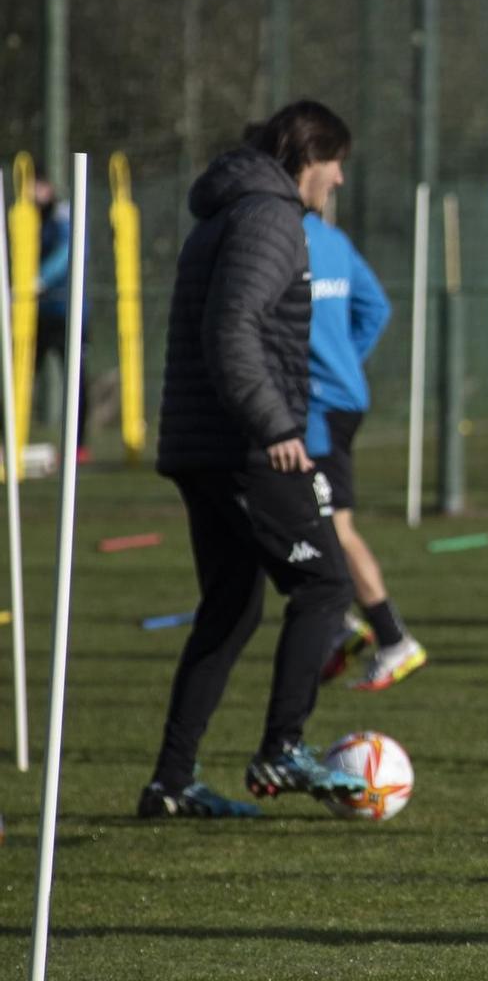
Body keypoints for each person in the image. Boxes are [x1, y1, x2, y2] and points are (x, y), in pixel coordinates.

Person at [139, 101, 368, 819]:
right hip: (244, 445)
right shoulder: (269, 217)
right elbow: (231, 328)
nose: (337, 182)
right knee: (325, 584)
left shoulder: (228, 209)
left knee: (232, 610)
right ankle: (283, 744)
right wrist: (274, 423)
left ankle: (171, 783)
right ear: (310, 156)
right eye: (336, 166)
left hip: (202, 444)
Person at [302, 208, 428, 692]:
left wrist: (328, 363)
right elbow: (375, 307)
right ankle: (339, 627)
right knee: (306, 518)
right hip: (344, 396)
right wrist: (344, 358)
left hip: (318, 406)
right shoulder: (333, 239)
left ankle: (392, 639)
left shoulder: (280, 237)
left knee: (331, 523)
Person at [31, 178, 90, 458]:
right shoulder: (27, 217)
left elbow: (68, 252)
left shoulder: (62, 217)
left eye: (36, 185)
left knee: (76, 379)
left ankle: (78, 445)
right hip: (37, 314)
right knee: (22, 376)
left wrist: (40, 279)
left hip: (68, 312)